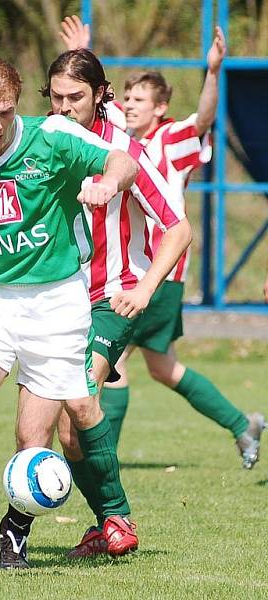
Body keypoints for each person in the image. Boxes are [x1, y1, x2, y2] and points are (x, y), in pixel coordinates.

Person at [0, 56, 140, 570]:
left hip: (57, 302)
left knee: (30, 438)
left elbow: (122, 160)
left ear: (17, 105)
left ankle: (14, 532)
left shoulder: (53, 136)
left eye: (6, 113)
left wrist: (107, 184)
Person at [60, 16, 265, 470]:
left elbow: (205, 118)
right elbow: (92, 100)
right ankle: (240, 423)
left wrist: (212, 73)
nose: (130, 106)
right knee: (161, 367)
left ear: (161, 106)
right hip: (138, 270)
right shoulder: (118, 139)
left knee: (109, 363)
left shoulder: (170, 139)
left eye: (140, 100)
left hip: (154, 272)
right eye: (127, 99)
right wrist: (84, 55)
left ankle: (98, 458)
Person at [41, 47, 192, 558]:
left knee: (80, 400)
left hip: (111, 297)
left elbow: (178, 227)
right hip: (56, 301)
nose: (64, 107)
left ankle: (118, 519)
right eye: (56, 97)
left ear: (101, 94)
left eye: (76, 97)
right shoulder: (41, 141)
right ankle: (103, 523)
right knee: (66, 429)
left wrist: (146, 288)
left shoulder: (126, 151)